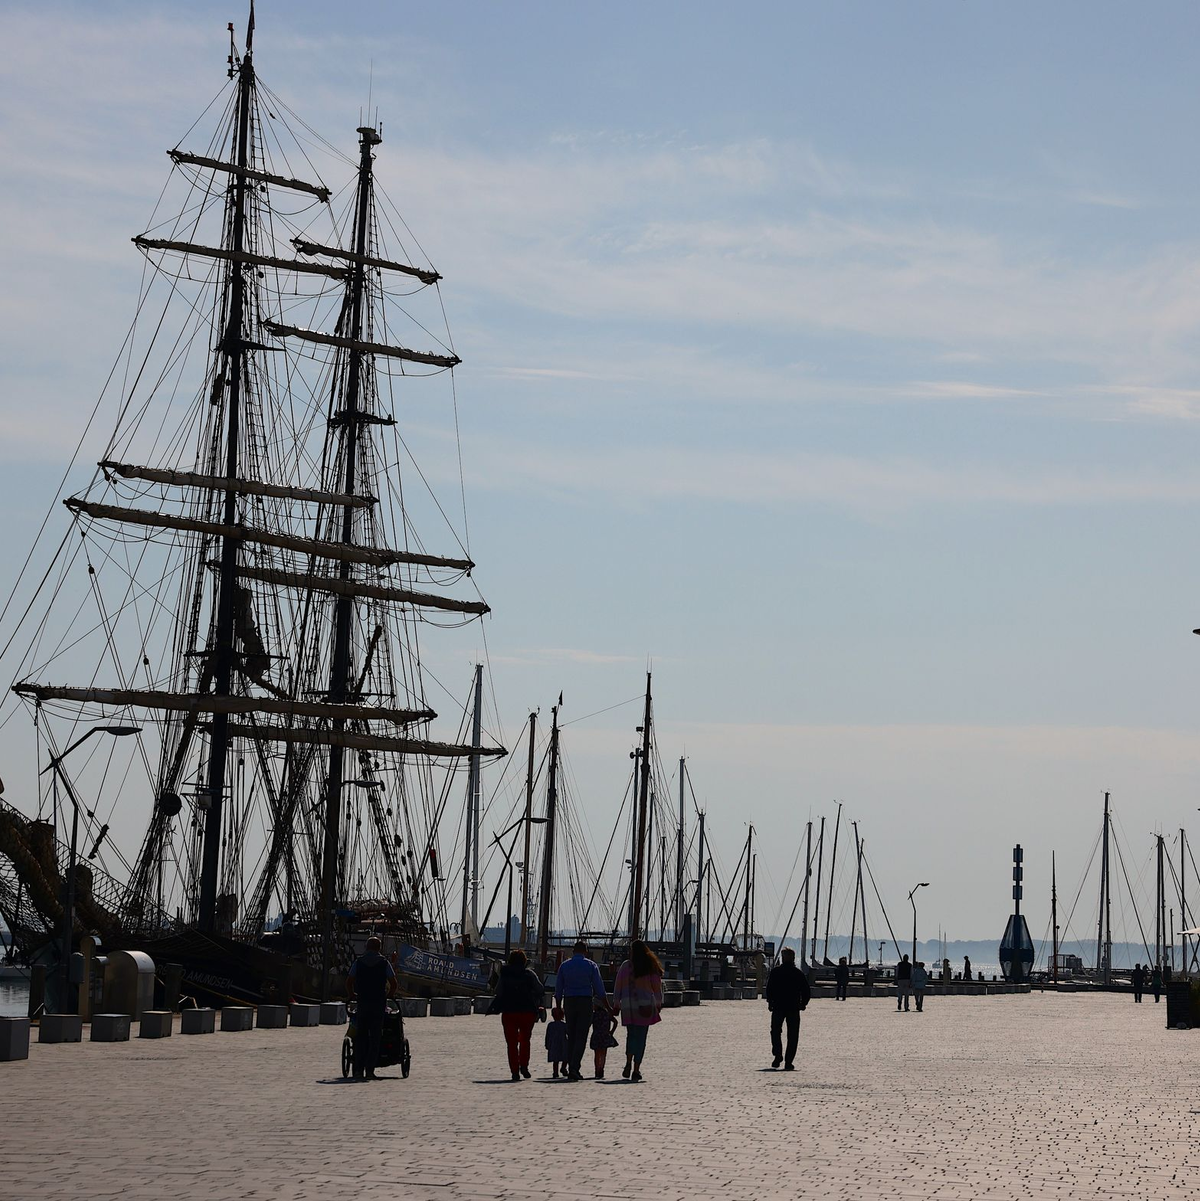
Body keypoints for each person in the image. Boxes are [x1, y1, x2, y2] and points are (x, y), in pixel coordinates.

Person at [488, 948, 546, 1081]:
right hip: (527, 1012)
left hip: (509, 1012)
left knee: (512, 1043)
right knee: (525, 1040)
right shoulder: (529, 974)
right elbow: (540, 989)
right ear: (524, 961)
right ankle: (524, 1066)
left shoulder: (505, 974)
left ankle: (514, 1071)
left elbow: (498, 991)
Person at [554, 939, 607, 1081]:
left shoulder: (564, 966)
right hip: (585, 1001)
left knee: (571, 1035)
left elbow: (558, 989)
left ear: (573, 950)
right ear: (585, 951)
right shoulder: (591, 965)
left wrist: (558, 1007)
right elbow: (600, 989)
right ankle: (574, 1067)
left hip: (569, 1001)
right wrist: (607, 1007)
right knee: (581, 1036)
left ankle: (571, 1065)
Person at [346, 935, 397, 1080]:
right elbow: (394, 984)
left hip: (363, 1002)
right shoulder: (384, 963)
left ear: (367, 947)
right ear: (379, 948)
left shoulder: (359, 962)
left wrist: (352, 995)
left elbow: (349, 981)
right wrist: (389, 995)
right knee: (375, 1037)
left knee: (361, 1037)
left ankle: (357, 1070)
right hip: (378, 1004)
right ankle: (370, 1070)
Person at [614, 939, 664, 1082]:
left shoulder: (625, 966)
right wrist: (659, 1004)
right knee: (641, 1038)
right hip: (645, 1006)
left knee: (631, 1036)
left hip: (628, 1007)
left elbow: (618, 985)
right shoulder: (650, 966)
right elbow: (657, 988)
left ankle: (628, 1061)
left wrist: (616, 1004)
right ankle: (636, 1069)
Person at [764, 947, 810, 1070]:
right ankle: (788, 1061)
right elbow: (806, 990)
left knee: (775, 1031)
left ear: (783, 958)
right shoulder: (798, 973)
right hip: (793, 1007)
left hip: (779, 1006)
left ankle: (778, 1055)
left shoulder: (776, 972)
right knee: (793, 1035)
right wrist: (803, 1003)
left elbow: (769, 988)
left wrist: (770, 1002)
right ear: (794, 958)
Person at [590, 999, 619, 1078]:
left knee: (597, 1054)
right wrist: (611, 1031)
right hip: (605, 1035)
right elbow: (615, 1022)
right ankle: (601, 1069)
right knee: (603, 1054)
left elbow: (589, 1023)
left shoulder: (594, 1014)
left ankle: (597, 1069)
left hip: (596, 1035)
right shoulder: (607, 1014)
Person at [545, 1006, 568, 1078]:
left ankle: (555, 1072)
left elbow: (547, 1035)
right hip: (563, 1043)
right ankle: (563, 1068)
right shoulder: (564, 1025)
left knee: (555, 1060)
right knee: (566, 1057)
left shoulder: (550, 1025)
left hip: (553, 1044)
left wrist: (547, 1043)